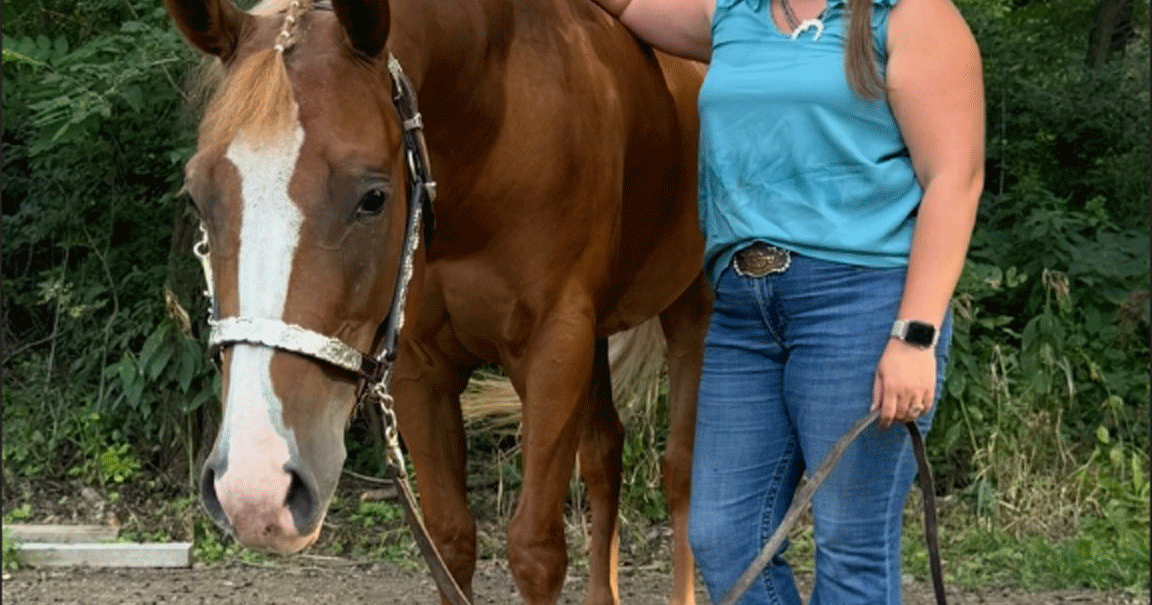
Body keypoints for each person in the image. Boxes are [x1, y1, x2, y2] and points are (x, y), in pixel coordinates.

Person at [582, 0, 984, 602]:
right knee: (722, 537)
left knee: (850, 544)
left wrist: (916, 334)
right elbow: (629, 6)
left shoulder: (909, 17)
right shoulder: (734, 15)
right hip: (743, 311)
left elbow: (955, 178)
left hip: (861, 302)